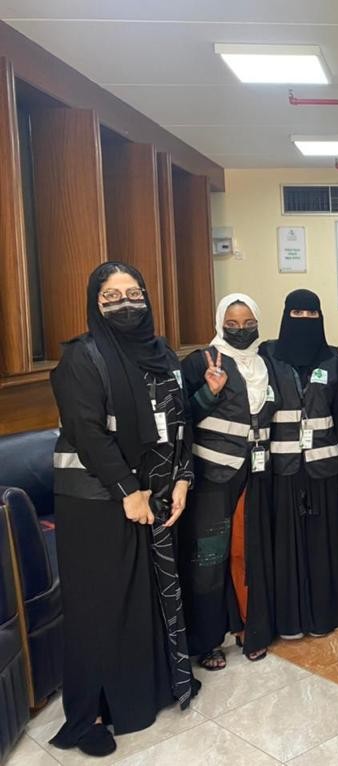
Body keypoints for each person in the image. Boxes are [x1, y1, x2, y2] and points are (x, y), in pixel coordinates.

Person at [49, 262, 198, 757]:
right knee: (101, 607)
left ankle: (148, 691)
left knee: (149, 599)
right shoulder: (82, 356)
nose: (125, 303)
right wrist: (128, 491)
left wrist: (182, 478)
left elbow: (181, 421)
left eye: (133, 293)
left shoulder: (164, 354)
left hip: (156, 497)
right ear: (95, 303)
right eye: (111, 296)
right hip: (98, 502)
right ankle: (89, 714)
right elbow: (87, 431)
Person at [178, 294, 276, 669]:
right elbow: (181, 416)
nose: (240, 330)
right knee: (208, 560)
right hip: (212, 478)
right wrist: (210, 392)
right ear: (220, 323)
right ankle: (207, 641)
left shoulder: (265, 363)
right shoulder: (201, 361)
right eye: (231, 324)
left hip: (255, 474)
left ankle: (248, 627)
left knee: (246, 554)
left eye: (248, 323)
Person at [260, 289, 338, 638]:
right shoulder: (268, 355)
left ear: (321, 317)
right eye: (297, 314)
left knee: (323, 544)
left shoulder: (333, 358)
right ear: (286, 315)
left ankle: (324, 616)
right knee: (285, 546)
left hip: (324, 467)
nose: (304, 320)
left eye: (311, 314)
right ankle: (289, 620)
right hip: (281, 468)